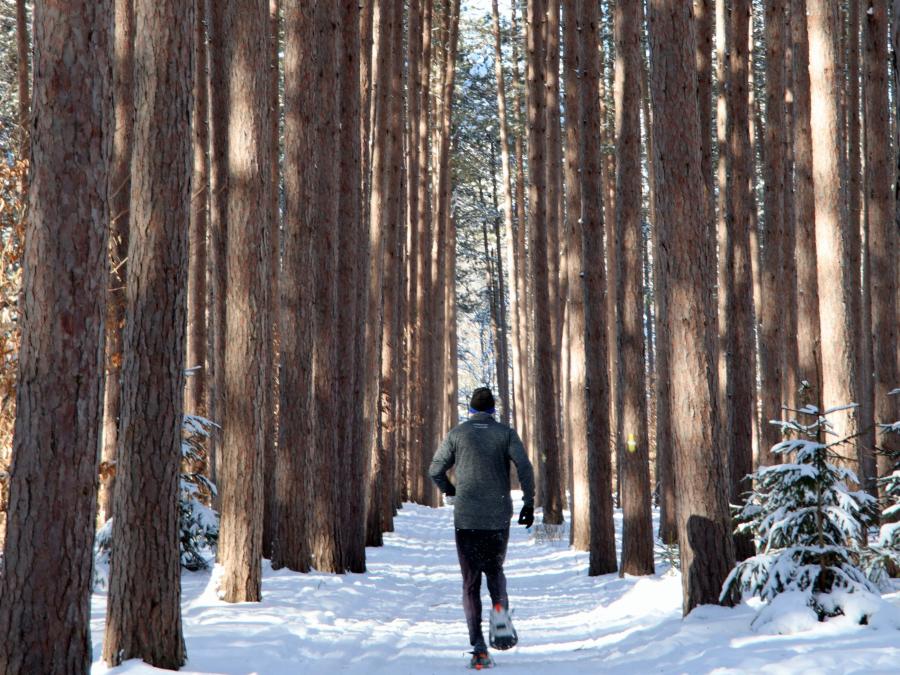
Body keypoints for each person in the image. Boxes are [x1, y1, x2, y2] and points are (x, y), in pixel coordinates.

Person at [429, 386, 535, 670]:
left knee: (470, 582)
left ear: (471, 410)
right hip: (497, 517)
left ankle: (478, 649)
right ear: (492, 411)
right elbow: (524, 467)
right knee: (495, 570)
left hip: (467, 519)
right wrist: (528, 502)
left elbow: (435, 470)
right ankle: (499, 611)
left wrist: (451, 491)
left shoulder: (457, 434)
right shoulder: (505, 433)